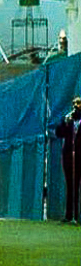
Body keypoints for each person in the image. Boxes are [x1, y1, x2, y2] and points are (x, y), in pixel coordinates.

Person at [55, 96, 81, 224]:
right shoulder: (69, 119)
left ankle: (78, 215)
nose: (76, 106)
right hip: (69, 157)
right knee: (70, 186)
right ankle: (69, 215)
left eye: (79, 103)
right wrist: (64, 122)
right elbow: (59, 133)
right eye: (74, 103)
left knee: (78, 187)